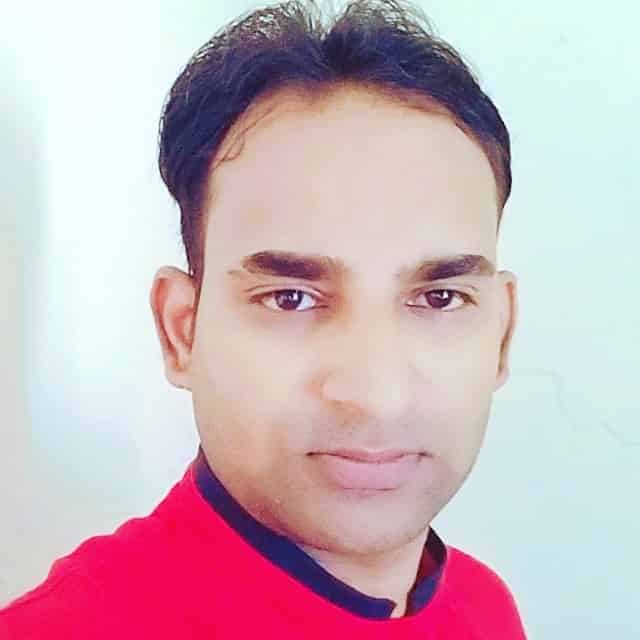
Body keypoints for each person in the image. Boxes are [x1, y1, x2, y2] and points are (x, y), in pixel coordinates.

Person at [0, 0, 526, 637]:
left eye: (440, 298)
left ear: (501, 334)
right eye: (291, 298)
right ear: (182, 331)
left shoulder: (484, 606)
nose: (375, 395)